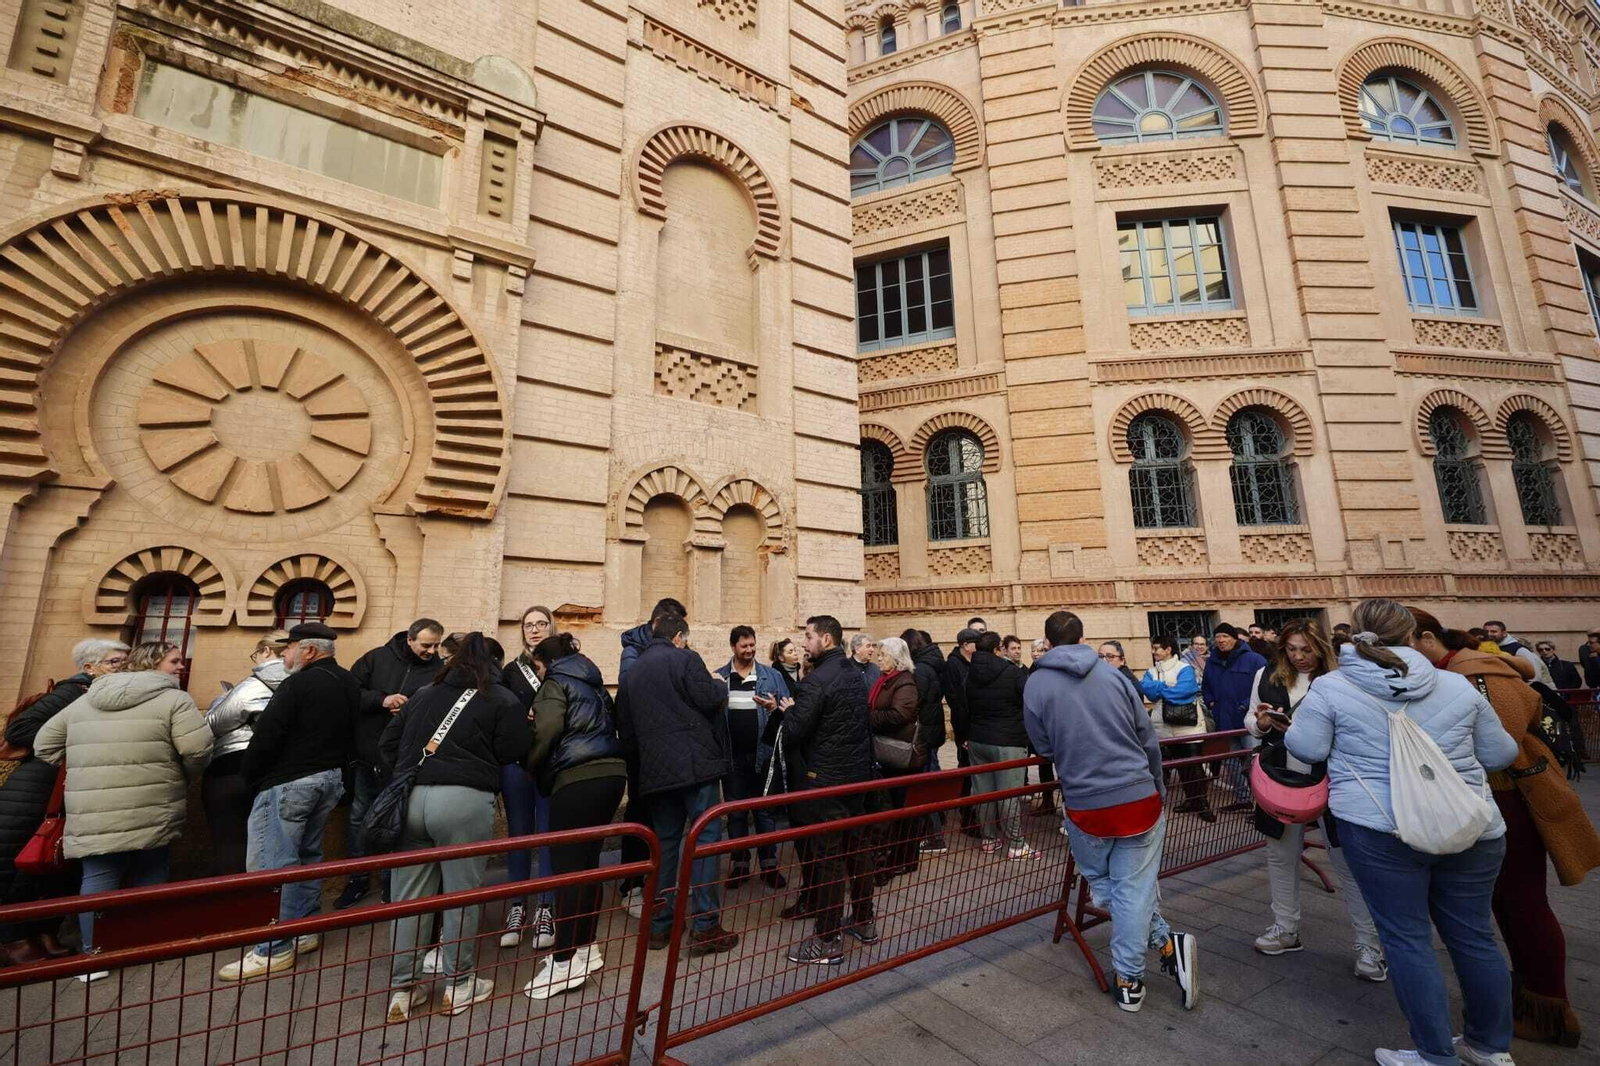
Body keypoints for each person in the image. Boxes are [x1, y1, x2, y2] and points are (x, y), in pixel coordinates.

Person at [1285, 599, 1517, 1066]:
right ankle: (1490, 1047)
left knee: (1406, 939)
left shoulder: (1332, 687)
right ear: (1413, 635)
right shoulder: (1457, 685)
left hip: (1379, 829)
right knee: (1474, 937)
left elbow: (1306, 747)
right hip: (1471, 826)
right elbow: (1500, 755)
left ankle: (1434, 1055)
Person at [1410, 607, 1599, 1048]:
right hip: (1495, 797)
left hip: (1510, 796)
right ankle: (1528, 995)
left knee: (1523, 903)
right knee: (1507, 904)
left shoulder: (1474, 671)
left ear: (1425, 638)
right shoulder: (1458, 668)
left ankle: (1550, 1009)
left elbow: (1504, 735)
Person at [1025, 611, 1198, 1014]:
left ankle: (1130, 976)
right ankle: (1164, 945)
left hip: (1086, 801)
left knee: (1111, 887)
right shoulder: (1114, 676)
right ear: (1083, 636)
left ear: (1048, 642)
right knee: (1129, 890)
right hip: (1137, 795)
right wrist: (1157, 784)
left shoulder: (1036, 684)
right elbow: (1146, 738)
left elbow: (1042, 745)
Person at [33, 642, 212, 982]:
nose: (181, 667)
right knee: (150, 870)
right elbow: (198, 748)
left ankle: (93, 956)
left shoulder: (87, 700)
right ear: (153, 662)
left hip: (92, 807)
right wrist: (180, 774)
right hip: (153, 800)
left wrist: (86, 768)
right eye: (174, 661)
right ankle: (142, 944)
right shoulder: (175, 699)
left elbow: (44, 745)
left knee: (98, 877)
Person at [378, 632, 530, 1021]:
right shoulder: (501, 698)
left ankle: (402, 991)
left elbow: (389, 742)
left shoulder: (425, 693)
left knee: (409, 899)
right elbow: (514, 751)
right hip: (463, 800)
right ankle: (459, 984)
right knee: (462, 893)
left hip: (412, 798)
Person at [1243, 621, 1386, 981]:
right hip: (1280, 778)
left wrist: (1305, 732)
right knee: (1280, 855)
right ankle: (1285, 928)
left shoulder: (1340, 678)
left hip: (1332, 778)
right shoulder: (1266, 675)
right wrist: (1261, 723)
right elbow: (1249, 721)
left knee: (1346, 860)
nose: (1298, 656)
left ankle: (1370, 947)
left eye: (1306, 649)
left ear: (1321, 647)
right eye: (1291, 649)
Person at [219, 623, 358, 981]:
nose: (284, 654)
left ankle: (273, 948)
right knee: (308, 857)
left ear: (309, 651)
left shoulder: (297, 684)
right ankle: (305, 929)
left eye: (290, 647)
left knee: (272, 863)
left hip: (290, 782)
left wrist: (249, 776)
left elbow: (268, 736)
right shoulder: (346, 681)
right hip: (329, 780)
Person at [615, 612, 738, 955]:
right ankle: (705, 926)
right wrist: (717, 682)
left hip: (655, 773)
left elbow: (625, 726)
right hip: (696, 767)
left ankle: (660, 926)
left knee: (666, 846)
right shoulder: (686, 657)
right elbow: (711, 699)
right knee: (705, 840)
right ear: (680, 637)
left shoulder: (633, 671)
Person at [0, 639, 128, 965]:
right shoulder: (75, 690)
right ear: (89, 667)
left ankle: (42, 931)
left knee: (47, 870)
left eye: (124, 662)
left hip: (59, 790)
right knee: (18, 866)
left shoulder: (101, 695)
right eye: (114, 662)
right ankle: (13, 940)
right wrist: (72, 737)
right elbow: (20, 729)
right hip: (35, 790)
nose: (121, 668)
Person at [519, 632, 628, 1000]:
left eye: (537, 666)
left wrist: (529, 764)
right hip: (611, 774)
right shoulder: (594, 680)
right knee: (587, 864)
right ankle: (586, 948)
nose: (537, 672)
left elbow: (547, 730)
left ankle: (563, 962)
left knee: (567, 869)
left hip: (577, 776)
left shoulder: (555, 681)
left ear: (546, 662)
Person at [784, 615, 877, 965]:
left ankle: (826, 938)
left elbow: (796, 730)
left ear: (825, 639)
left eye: (808, 637)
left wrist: (788, 711)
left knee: (827, 858)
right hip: (856, 777)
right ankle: (864, 920)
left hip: (826, 781)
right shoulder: (854, 673)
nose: (804, 643)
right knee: (858, 848)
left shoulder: (816, 680)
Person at [338, 618, 445, 910]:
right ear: (410, 639)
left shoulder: (438, 670)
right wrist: (382, 700)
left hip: (403, 760)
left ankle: (390, 882)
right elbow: (349, 693)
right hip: (368, 754)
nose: (432, 651)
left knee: (396, 822)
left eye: (436, 645)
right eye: (426, 645)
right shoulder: (376, 658)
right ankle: (358, 879)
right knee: (360, 816)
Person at [202, 633, 289, 876]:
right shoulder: (305, 681)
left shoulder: (255, 683)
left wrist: (220, 701)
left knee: (230, 842)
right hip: (278, 770)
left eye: (257, 654)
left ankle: (230, 905)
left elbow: (213, 723)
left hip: (233, 767)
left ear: (267, 651)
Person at [496, 605, 557, 951]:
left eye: (540, 624)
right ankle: (516, 907)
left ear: (551, 628)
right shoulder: (510, 671)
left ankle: (546, 908)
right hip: (517, 763)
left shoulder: (561, 666)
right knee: (519, 835)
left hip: (550, 761)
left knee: (548, 833)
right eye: (528, 625)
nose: (534, 630)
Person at [714, 625, 788, 889]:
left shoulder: (770, 676)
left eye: (753, 645)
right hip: (732, 758)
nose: (750, 650)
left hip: (763, 755)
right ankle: (740, 866)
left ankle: (769, 865)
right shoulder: (720, 678)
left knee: (764, 812)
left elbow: (788, 709)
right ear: (733, 646)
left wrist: (774, 708)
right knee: (735, 813)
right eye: (744, 646)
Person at [960, 632, 1037, 860]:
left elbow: (963, 705)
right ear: (998, 649)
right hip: (1008, 741)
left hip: (977, 739)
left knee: (982, 792)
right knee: (1008, 794)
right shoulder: (1013, 672)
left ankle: (989, 839)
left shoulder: (969, 674)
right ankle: (1016, 844)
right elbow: (1031, 701)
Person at [1139, 635, 1212, 824]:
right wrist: (1167, 687)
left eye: (1157, 648)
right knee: (1177, 766)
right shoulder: (1150, 670)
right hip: (1161, 726)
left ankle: (1202, 802)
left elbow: (1186, 691)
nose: (1154, 651)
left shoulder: (1184, 668)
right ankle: (1190, 800)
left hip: (1188, 726)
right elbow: (1147, 691)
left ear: (1169, 649)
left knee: (1194, 766)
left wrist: (1160, 688)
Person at [867, 636, 921, 879]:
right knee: (890, 808)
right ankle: (892, 857)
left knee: (901, 810)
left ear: (897, 659)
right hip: (886, 755)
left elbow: (900, 715)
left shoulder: (905, 683)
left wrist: (868, 718)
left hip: (900, 757)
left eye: (883, 655)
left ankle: (903, 859)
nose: (879, 658)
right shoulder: (886, 680)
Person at [1201, 623, 1267, 806]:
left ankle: (1262, 803)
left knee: (1253, 762)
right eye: (1218, 637)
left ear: (1235, 638)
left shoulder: (1254, 660)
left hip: (1250, 722)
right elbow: (1206, 688)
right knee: (1230, 763)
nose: (1221, 640)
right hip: (1224, 722)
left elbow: (1266, 686)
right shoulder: (1212, 662)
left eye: (1225, 636)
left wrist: (1246, 705)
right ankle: (1243, 798)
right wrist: (1212, 703)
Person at [903, 629, 949, 853]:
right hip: (933, 730)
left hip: (923, 734)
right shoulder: (933, 662)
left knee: (924, 786)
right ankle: (938, 822)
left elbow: (915, 702)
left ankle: (935, 837)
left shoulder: (920, 669)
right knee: (931, 779)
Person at [945, 627, 981, 838]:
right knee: (967, 773)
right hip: (965, 730)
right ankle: (966, 818)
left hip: (975, 728)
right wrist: (964, 735)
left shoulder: (972, 663)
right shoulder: (953, 665)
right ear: (966, 645)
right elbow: (956, 702)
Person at [1483, 620, 1549, 687]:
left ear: (1504, 633)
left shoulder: (1519, 649)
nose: (1489, 634)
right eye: (1486, 632)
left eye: (1493, 632)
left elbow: (1534, 676)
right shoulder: (1483, 648)